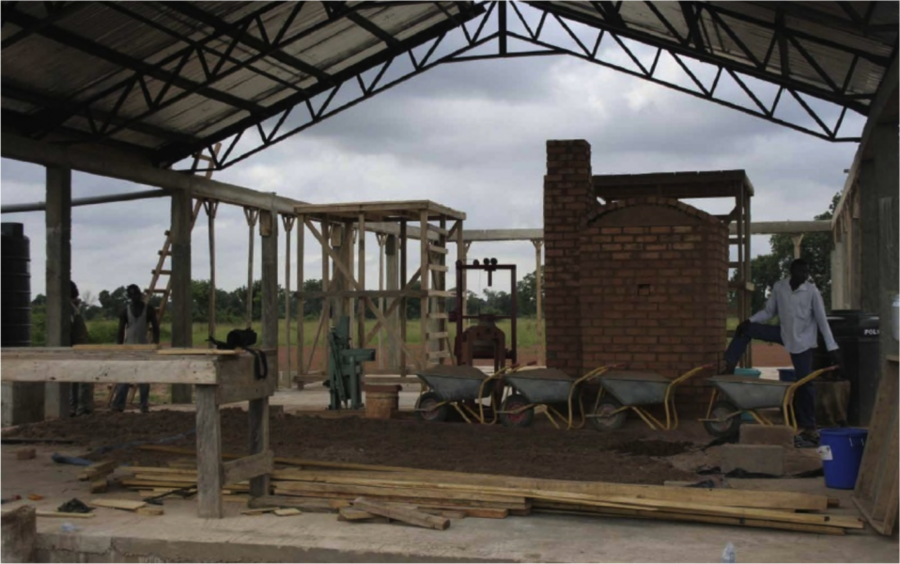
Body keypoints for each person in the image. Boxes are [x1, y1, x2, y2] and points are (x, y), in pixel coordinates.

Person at [722, 258, 842, 445]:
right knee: (746, 330)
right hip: (784, 334)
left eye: (806, 272)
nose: (804, 276)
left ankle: (809, 426)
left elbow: (822, 321)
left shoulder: (812, 291)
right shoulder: (780, 287)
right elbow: (769, 312)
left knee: (805, 384)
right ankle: (730, 363)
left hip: (803, 342)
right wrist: (749, 320)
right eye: (801, 272)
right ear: (792, 272)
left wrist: (832, 347)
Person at [111, 285, 160, 413]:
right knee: (124, 377)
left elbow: (155, 327)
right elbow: (120, 330)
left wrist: (156, 343)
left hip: (143, 347)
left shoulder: (149, 309)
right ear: (129, 296)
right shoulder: (125, 311)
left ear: (140, 294)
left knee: (144, 378)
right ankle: (118, 405)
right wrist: (119, 347)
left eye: (136, 294)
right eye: (132, 295)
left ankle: (144, 405)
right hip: (128, 348)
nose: (135, 297)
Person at [69, 281, 92, 417]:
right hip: (75, 349)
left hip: (78, 349)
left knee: (77, 380)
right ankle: (79, 407)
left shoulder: (72, 308)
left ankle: (76, 407)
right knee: (79, 380)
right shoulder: (69, 309)